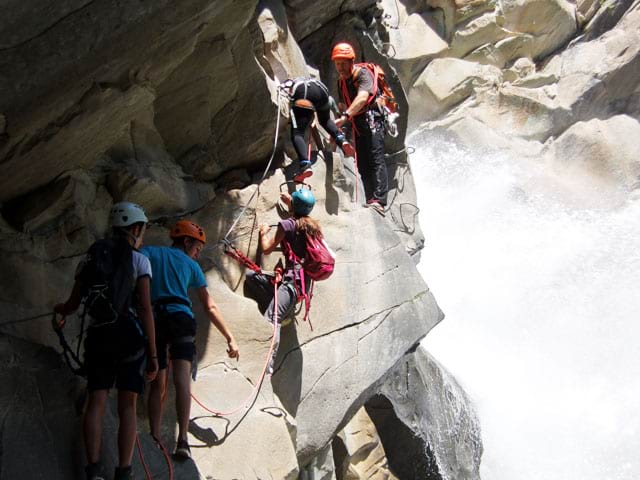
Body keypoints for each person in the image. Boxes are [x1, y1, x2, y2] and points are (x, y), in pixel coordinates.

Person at [54, 201, 158, 480]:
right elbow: (146, 308)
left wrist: (60, 311)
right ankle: (124, 471)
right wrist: (154, 353)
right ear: (135, 229)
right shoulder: (139, 260)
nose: (143, 234)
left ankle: (94, 470)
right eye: (143, 229)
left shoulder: (92, 257)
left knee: (96, 401)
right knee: (127, 406)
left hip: (98, 336)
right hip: (128, 337)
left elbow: (73, 303)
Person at [142, 220, 239, 460]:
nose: (197, 253)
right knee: (182, 380)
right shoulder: (192, 267)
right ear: (186, 242)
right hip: (181, 319)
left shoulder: (152, 253)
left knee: (158, 381)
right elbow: (209, 306)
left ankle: (154, 437)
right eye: (196, 247)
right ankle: (183, 440)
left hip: (156, 317)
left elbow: (134, 254)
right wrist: (230, 337)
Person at [245, 189, 321, 374]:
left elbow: (267, 249)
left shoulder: (286, 225)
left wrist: (263, 233)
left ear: (293, 206)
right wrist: (291, 205)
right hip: (302, 282)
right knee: (252, 277)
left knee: (272, 317)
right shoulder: (312, 226)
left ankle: (267, 363)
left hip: (291, 284)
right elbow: (298, 222)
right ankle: (283, 306)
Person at [332, 42, 389, 215]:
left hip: (373, 119)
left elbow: (363, 97)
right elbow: (343, 105)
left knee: (375, 157)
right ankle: (370, 198)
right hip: (357, 123)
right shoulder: (341, 82)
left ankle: (379, 200)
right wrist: (342, 129)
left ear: (351, 61)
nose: (340, 67)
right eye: (337, 63)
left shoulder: (363, 74)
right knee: (362, 162)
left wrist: (345, 117)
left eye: (343, 63)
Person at [281, 77, 355, 182]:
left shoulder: (292, 84)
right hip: (322, 93)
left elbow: (288, 97)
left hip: (305, 96)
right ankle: (341, 140)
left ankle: (305, 165)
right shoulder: (310, 81)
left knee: (298, 133)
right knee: (325, 121)